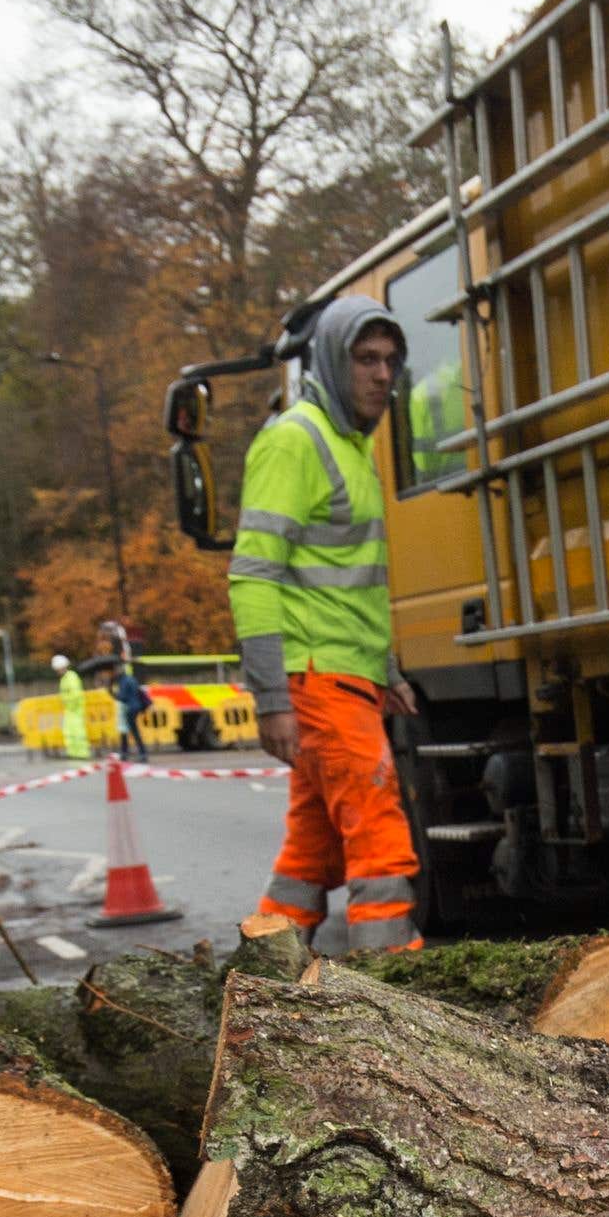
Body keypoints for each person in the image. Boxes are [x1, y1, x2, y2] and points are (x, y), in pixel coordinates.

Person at [234, 294, 423, 955]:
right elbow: (252, 576)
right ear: (329, 363)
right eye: (365, 359)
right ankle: (397, 993)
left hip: (345, 679)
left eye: (390, 361)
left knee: (309, 854)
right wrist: (271, 699)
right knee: (378, 840)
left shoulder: (351, 448)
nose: (381, 375)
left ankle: (264, 978)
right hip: (317, 681)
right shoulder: (295, 442)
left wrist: (387, 671)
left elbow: (353, 589)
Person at [112, 650, 150, 759]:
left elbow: (123, 697)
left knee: (130, 730)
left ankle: (140, 753)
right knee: (127, 730)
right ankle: (127, 752)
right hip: (135, 707)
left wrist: (114, 695)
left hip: (129, 708)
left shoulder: (124, 681)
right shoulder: (131, 679)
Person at [53, 653, 90, 761]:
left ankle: (82, 752)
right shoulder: (65, 678)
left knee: (77, 731)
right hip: (70, 709)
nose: (58, 671)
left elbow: (75, 694)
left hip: (75, 709)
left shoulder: (71, 677)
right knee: (70, 731)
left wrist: (69, 702)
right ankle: (74, 752)